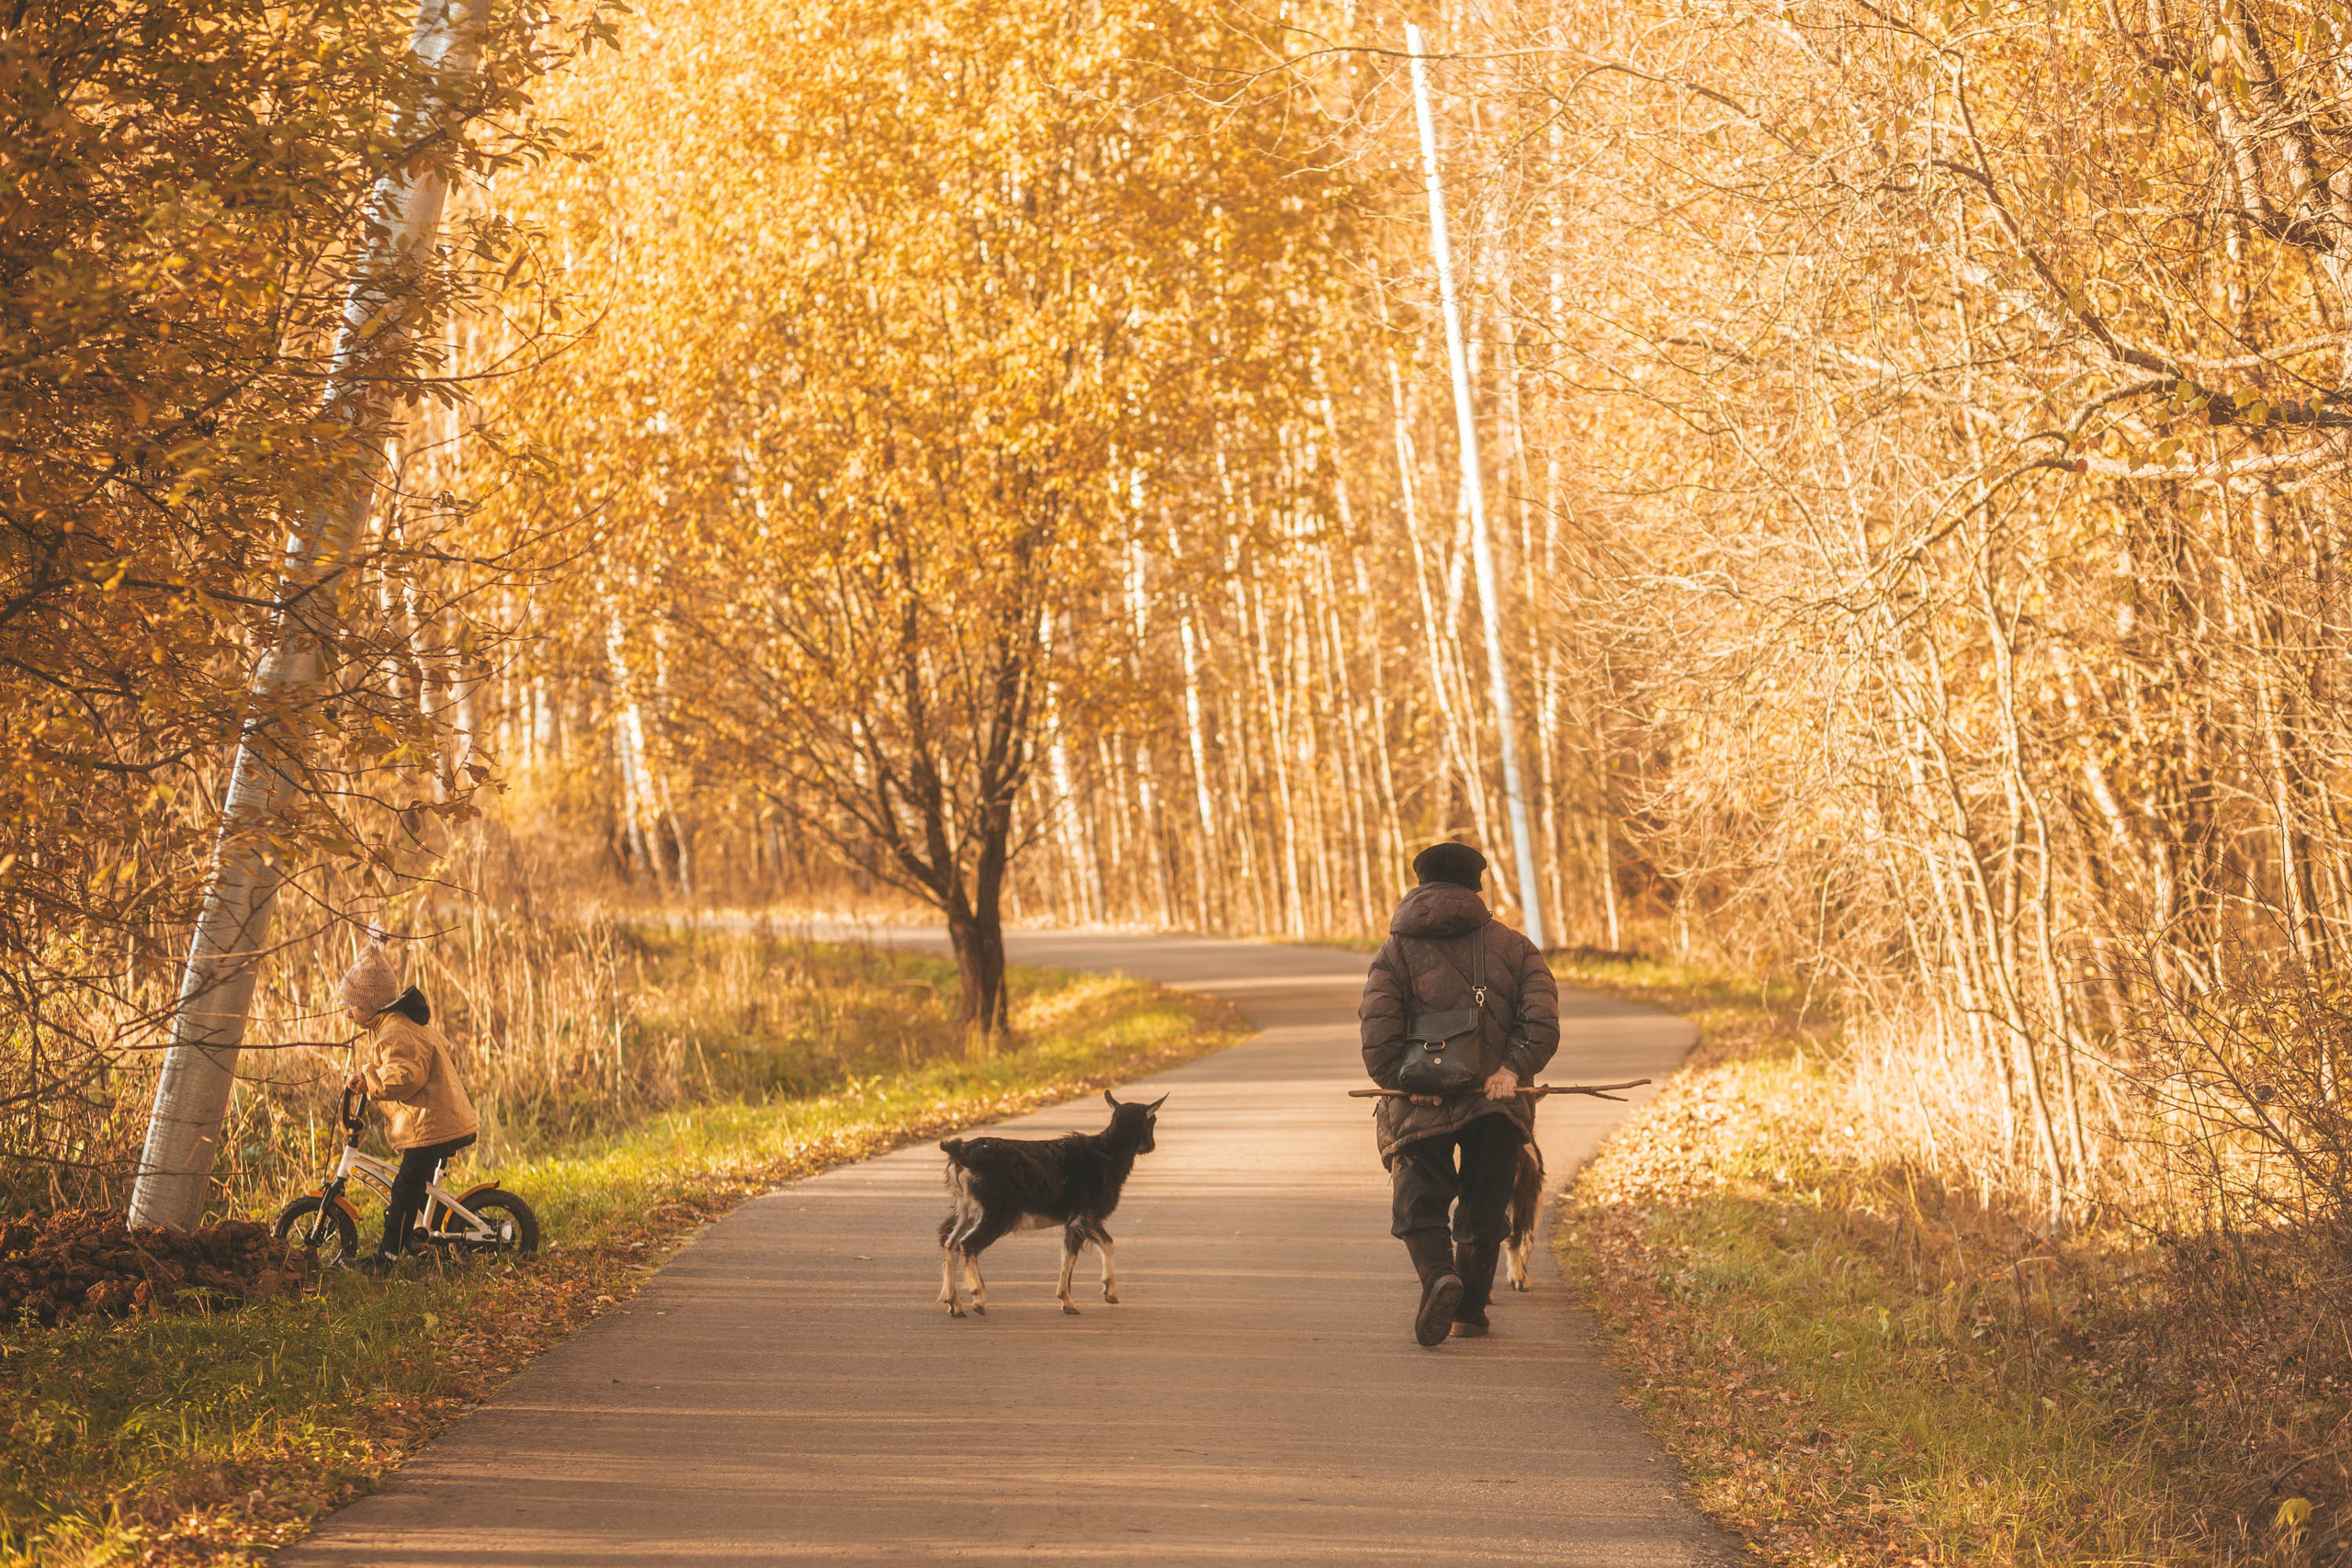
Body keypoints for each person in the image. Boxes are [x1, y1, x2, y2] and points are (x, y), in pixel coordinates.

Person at [1359, 841, 1560, 1346]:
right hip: (1494, 1099)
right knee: (1484, 1203)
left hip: (1417, 1100)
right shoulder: (1515, 947)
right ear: (1477, 887)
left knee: (1418, 1199)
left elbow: (1377, 1033)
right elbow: (1542, 1021)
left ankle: (1438, 1278)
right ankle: (1469, 1309)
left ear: (1420, 886)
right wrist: (1512, 1070)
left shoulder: (1393, 952)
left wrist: (1406, 1082)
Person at [337, 938, 480, 1274]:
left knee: (404, 1189)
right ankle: (419, 1237)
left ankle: (387, 1257)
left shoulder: (394, 1032)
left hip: (432, 1127)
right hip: (439, 1120)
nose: (349, 1012)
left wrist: (368, 1080)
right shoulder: (401, 1024)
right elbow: (438, 1047)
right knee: (416, 1189)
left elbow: (405, 1077)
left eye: (353, 1005)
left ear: (371, 1007)